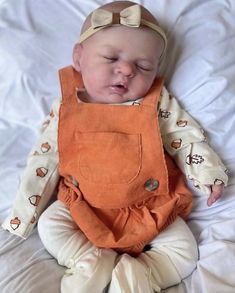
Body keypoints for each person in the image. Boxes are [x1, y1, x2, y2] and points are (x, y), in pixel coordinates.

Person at [2, 1, 228, 292]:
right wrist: (23, 214)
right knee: (51, 225)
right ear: (79, 58)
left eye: (143, 65)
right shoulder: (68, 107)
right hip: (83, 205)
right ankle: (87, 259)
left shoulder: (157, 103)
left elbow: (185, 139)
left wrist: (209, 174)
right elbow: (45, 158)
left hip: (150, 207)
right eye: (110, 58)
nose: (126, 70)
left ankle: (142, 273)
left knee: (184, 250)